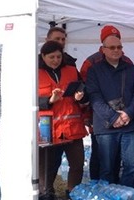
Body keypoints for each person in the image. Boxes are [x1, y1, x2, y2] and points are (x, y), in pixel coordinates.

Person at [85, 30, 134, 187]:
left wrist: (128, 113)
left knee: (131, 167)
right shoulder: (94, 70)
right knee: (107, 169)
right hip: (105, 127)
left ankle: (125, 195)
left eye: (119, 47)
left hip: (129, 125)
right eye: (112, 47)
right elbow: (94, 98)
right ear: (103, 49)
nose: (116, 50)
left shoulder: (130, 69)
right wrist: (113, 117)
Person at [38, 40, 88, 200]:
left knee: (78, 165)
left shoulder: (72, 70)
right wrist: (49, 100)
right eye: (51, 57)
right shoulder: (34, 73)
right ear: (43, 57)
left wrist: (80, 97)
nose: (55, 60)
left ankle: (72, 193)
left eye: (58, 56)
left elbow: (84, 92)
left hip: (72, 128)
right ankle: (46, 193)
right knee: (48, 168)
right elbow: (26, 101)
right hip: (48, 130)